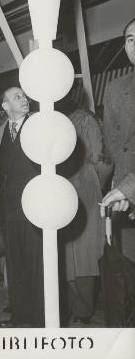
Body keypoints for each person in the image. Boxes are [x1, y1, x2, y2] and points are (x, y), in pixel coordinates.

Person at [0, 86, 43, 327]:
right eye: (17, 96)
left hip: (35, 206)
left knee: (36, 264)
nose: (24, 99)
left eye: (23, 95)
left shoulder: (40, 125)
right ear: (4, 106)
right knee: (15, 264)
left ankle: (40, 319)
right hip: (8, 208)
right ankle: (20, 318)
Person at [56, 97, 113, 325]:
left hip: (80, 190)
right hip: (70, 189)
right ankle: (76, 308)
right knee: (74, 254)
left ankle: (81, 309)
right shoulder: (67, 119)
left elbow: (102, 159)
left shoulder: (81, 119)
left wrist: (92, 186)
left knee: (80, 254)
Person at [103, 17, 135, 261]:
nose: (134, 44)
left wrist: (126, 189)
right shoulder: (115, 88)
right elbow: (113, 144)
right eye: (130, 39)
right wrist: (121, 189)